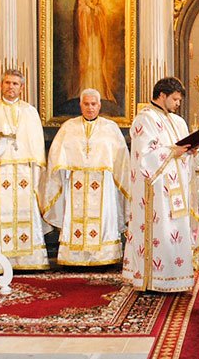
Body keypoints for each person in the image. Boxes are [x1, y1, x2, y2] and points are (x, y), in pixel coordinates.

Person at [122, 77, 198, 292]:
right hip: (155, 192)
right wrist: (173, 151)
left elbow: (181, 150)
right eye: (174, 99)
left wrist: (190, 151)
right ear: (162, 95)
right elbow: (144, 156)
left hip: (176, 189)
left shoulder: (178, 121)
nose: (177, 104)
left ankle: (177, 278)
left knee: (176, 231)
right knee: (161, 231)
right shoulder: (144, 120)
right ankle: (154, 280)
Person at [42, 88, 129, 266]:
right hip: (76, 183)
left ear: (100, 105)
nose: (90, 108)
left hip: (103, 183)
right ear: (80, 105)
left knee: (103, 218)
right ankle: (74, 256)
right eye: (86, 104)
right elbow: (56, 155)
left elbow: (122, 161)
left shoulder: (110, 128)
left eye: (94, 104)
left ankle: (103, 256)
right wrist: (62, 167)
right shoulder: (68, 127)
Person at [0, 69, 50, 273]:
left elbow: (35, 145)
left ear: (22, 87)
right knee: (1, 215)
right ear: (1, 85)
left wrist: (36, 174)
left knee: (28, 212)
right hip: (0, 171)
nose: (11, 87)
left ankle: (30, 260)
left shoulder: (30, 111)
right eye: (7, 83)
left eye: (15, 84)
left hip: (25, 172)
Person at [74, 0, 115, 102]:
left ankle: (99, 91)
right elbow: (78, 17)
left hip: (96, 36)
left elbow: (102, 16)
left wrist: (96, 10)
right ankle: (83, 92)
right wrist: (86, 11)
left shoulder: (97, 0)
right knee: (87, 62)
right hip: (86, 38)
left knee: (96, 62)